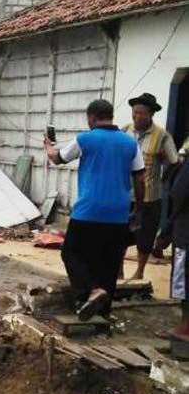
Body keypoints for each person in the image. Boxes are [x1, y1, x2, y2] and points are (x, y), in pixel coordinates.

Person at [44, 99, 145, 321]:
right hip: (119, 212)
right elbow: (140, 178)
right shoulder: (131, 143)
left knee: (71, 252)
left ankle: (91, 290)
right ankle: (103, 314)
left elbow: (58, 158)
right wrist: (138, 208)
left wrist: (49, 147)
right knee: (108, 262)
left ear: (91, 117)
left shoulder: (85, 139)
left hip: (89, 211)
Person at [122, 93, 178, 279]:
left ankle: (139, 273)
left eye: (141, 113)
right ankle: (119, 271)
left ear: (151, 114)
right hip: (125, 195)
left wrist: (163, 180)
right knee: (119, 236)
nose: (136, 117)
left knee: (145, 237)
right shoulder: (125, 132)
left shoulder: (162, 136)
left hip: (150, 197)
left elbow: (174, 161)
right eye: (134, 113)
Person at [156, 155, 189, 340]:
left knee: (184, 280)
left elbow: (178, 196)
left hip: (185, 232)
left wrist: (166, 230)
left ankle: (185, 328)